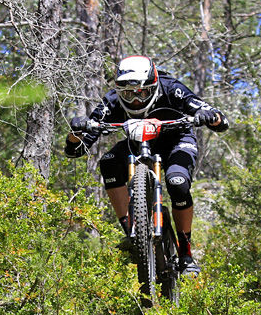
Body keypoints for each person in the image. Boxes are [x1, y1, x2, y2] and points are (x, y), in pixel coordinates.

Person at [65, 55, 229, 277]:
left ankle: (185, 253)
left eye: (141, 92)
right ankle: (133, 235)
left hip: (177, 142)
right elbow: (76, 150)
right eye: (127, 93)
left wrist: (207, 115)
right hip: (138, 144)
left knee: (177, 183)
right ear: (118, 89)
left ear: (153, 86)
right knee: (109, 162)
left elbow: (221, 122)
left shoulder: (172, 89)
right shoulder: (112, 101)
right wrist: (75, 133)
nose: (134, 100)